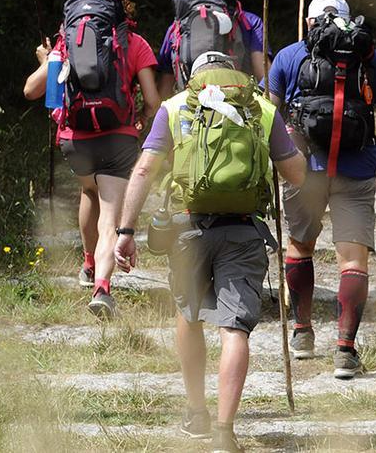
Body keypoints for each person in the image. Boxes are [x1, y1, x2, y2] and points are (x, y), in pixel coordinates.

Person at [113, 51, 305, 451]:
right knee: (234, 328)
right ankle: (224, 432)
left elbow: (145, 170)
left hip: (188, 230)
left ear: (193, 78)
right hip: (243, 231)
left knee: (189, 315)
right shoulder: (260, 109)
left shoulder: (174, 107)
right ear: (233, 74)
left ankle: (196, 412)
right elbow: (296, 174)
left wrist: (126, 230)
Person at [265, 0, 376, 379]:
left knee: (299, 247)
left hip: (301, 167)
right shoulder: (366, 56)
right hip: (356, 167)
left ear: (308, 21)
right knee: (352, 260)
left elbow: (267, 111)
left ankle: (302, 333)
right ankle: (345, 352)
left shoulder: (289, 56)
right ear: (348, 21)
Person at [22, 0, 161, 319]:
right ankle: (102, 287)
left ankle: (87, 264)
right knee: (110, 217)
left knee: (88, 190)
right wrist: (141, 118)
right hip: (118, 137)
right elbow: (154, 101)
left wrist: (45, 59)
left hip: (76, 138)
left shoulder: (66, 42)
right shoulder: (135, 42)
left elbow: (30, 91)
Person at [156, 0, 267, 99]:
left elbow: (165, 87)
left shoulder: (177, 26)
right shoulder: (250, 21)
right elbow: (263, 74)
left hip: (191, 105)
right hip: (235, 102)